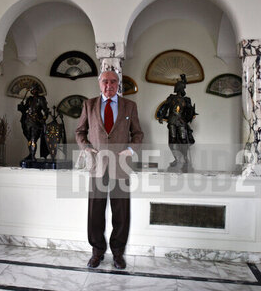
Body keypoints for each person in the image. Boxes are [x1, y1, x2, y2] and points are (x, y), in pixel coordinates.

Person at [75, 70, 143, 269]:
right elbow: (80, 131)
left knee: (121, 213)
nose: (109, 85)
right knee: (95, 212)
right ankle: (97, 252)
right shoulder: (89, 105)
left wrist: (130, 150)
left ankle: (118, 253)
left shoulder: (130, 106)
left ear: (118, 84)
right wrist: (86, 147)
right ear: (100, 83)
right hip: (97, 167)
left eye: (113, 81)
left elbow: (138, 133)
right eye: (105, 81)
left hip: (120, 168)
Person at [157, 74, 196, 171]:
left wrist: (190, 115)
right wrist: (162, 116)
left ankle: (185, 159)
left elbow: (189, 112)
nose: (181, 89)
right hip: (172, 121)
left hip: (181, 121)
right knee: (172, 140)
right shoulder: (171, 98)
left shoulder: (186, 100)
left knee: (183, 141)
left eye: (181, 87)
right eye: (180, 87)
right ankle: (177, 158)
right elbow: (165, 108)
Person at [17, 84, 49, 161]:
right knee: (29, 139)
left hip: (36, 121)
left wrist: (43, 119)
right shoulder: (29, 99)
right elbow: (25, 109)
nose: (34, 91)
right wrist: (21, 106)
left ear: (38, 90)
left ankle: (32, 156)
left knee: (33, 139)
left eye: (35, 90)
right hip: (27, 121)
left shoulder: (41, 99)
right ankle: (31, 154)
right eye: (32, 90)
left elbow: (46, 111)